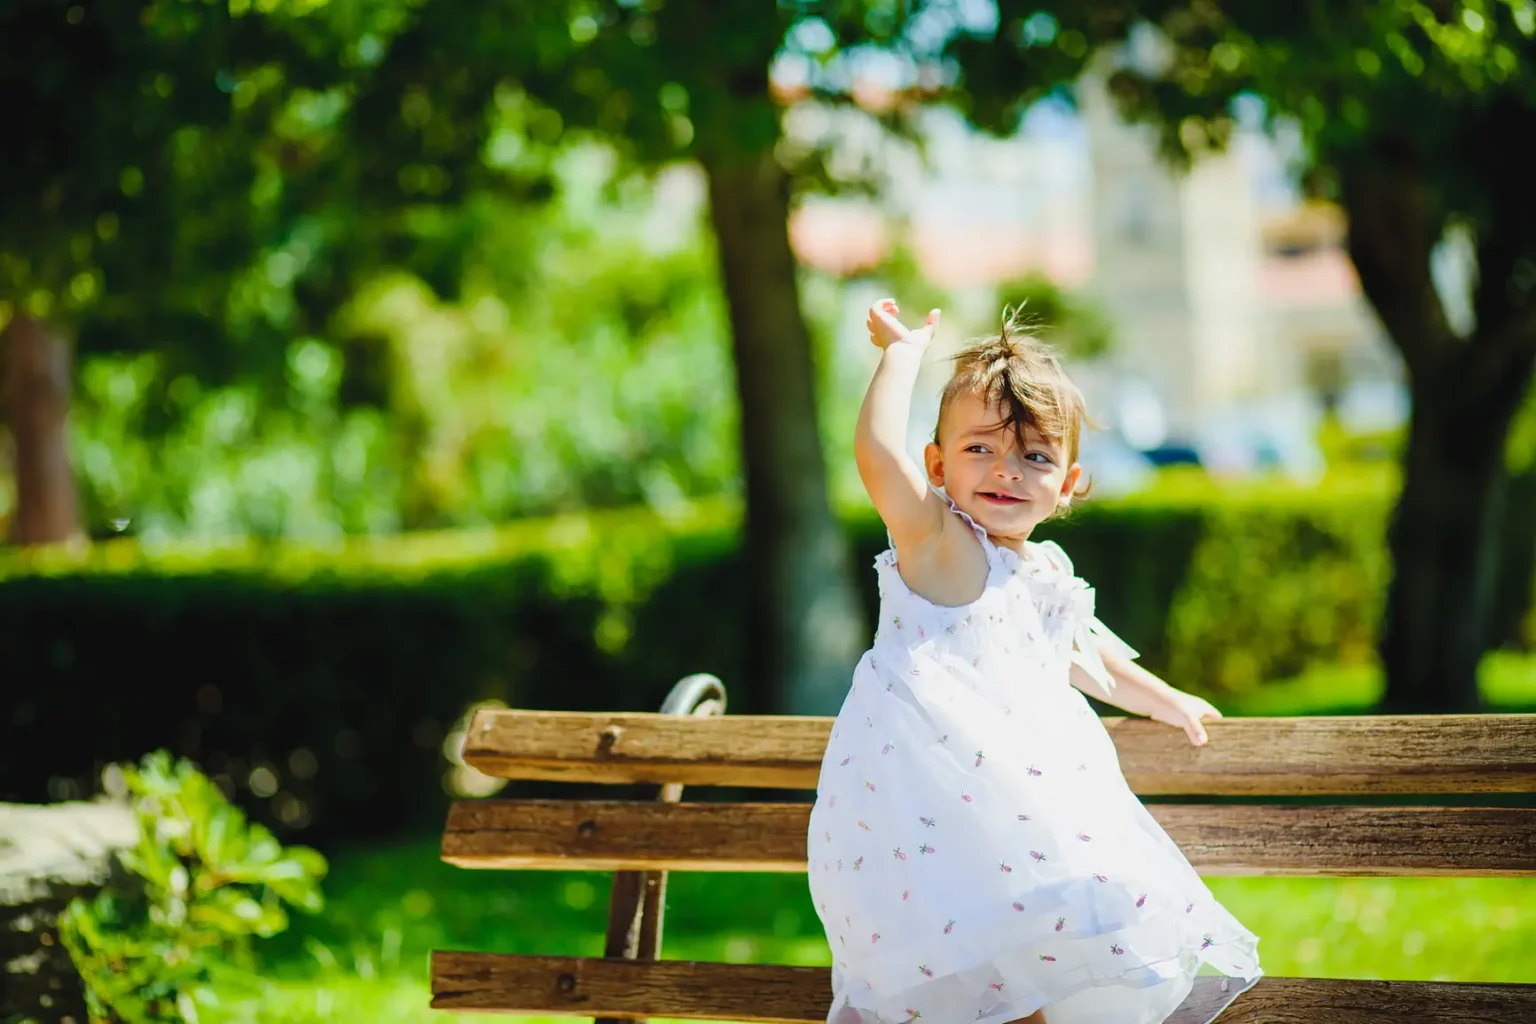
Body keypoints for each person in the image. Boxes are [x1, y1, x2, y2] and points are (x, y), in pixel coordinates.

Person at [807, 300, 1262, 1024]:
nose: (1007, 471)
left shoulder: (1044, 571)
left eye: (1035, 456)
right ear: (937, 464)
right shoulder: (941, 548)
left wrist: (1164, 698)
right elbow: (876, 458)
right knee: (991, 985)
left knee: (1048, 977)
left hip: (1032, 821)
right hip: (939, 820)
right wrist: (901, 355)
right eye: (980, 449)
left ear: (1070, 483)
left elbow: (1089, 656)